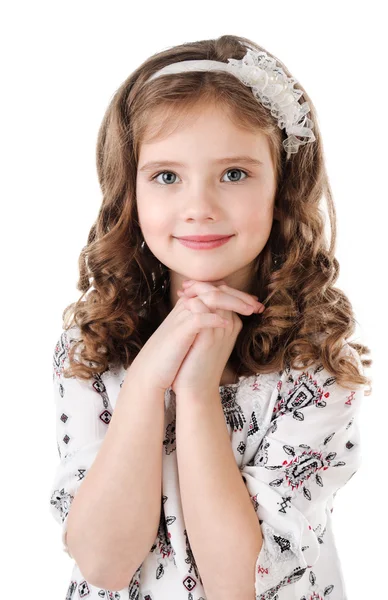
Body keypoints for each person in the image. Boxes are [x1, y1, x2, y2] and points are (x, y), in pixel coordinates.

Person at [49, 34, 372, 599]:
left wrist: (196, 391)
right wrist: (150, 377)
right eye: (167, 176)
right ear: (131, 191)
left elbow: (237, 585)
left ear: (283, 187)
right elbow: (102, 562)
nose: (199, 206)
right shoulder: (95, 345)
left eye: (235, 174)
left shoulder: (315, 363)